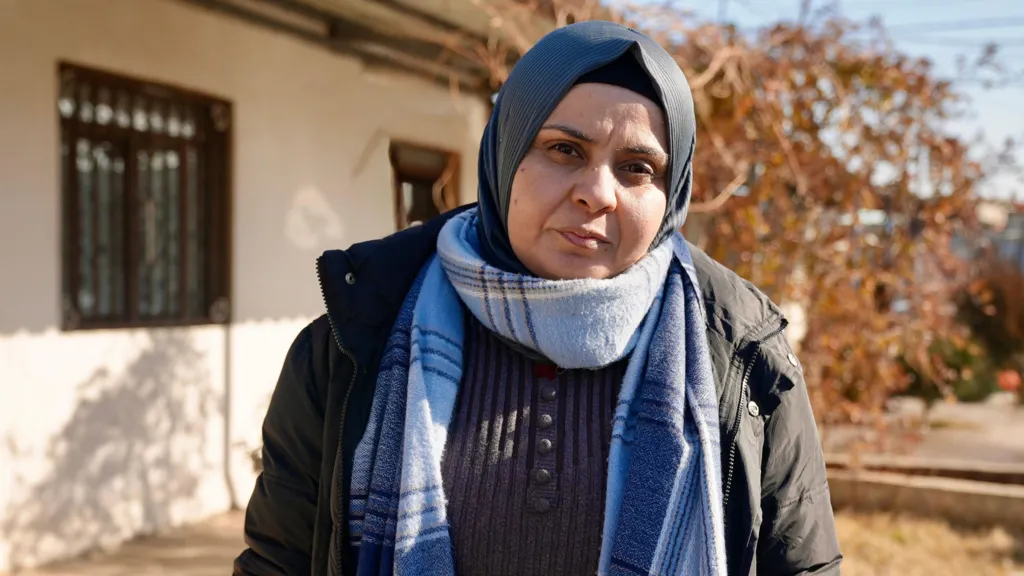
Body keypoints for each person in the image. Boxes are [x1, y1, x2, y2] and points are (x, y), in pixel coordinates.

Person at [233, 21, 841, 576]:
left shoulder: (741, 357)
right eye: (564, 150)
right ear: (505, 155)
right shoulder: (351, 339)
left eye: (636, 167)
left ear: (671, 192)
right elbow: (277, 563)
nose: (597, 193)